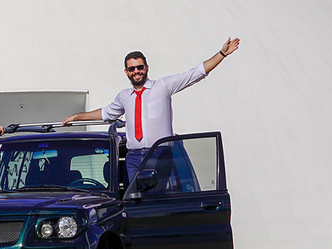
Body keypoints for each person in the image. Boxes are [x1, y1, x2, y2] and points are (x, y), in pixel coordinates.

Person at [63, 39, 240, 183]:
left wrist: (222, 54)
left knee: (153, 198)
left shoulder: (162, 87)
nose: (136, 71)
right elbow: (106, 113)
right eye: (132, 69)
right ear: (126, 72)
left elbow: (195, 73)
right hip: (133, 157)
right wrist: (79, 116)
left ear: (146, 67)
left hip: (159, 154)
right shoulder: (125, 96)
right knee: (136, 201)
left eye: (140, 67)